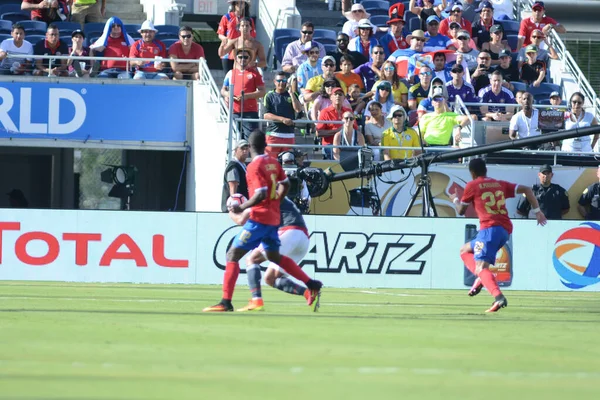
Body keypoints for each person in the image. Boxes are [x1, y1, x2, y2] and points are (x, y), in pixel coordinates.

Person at [203, 130, 323, 312]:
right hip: (276, 222)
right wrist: (275, 202)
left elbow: (260, 194)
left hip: (261, 219)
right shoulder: (273, 163)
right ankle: (310, 284)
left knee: (233, 255)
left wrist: (240, 207)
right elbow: (286, 184)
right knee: (275, 259)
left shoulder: (254, 166)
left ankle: (228, 301)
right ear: (265, 145)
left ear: (250, 147)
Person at [449, 158, 547, 312]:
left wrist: (454, 199)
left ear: (472, 172)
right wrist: (537, 212)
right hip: (505, 230)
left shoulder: (472, 185)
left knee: (481, 267)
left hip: (489, 229)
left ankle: (498, 297)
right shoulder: (499, 184)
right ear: (486, 170)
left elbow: (461, 210)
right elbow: (527, 190)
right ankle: (482, 277)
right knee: (465, 250)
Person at [230, 196, 316, 312]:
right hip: (303, 239)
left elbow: (241, 220)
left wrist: (230, 211)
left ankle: (256, 300)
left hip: (289, 231)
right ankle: (308, 292)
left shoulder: (263, 195)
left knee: (252, 259)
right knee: (270, 278)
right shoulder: (277, 194)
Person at [221, 48, 266, 139]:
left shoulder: (255, 74)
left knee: (251, 140)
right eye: (240, 57)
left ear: (249, 59)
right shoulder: (230, 73)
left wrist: (247, 96)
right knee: (234, 139)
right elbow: (223, 90)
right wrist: (229, 95)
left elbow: (262, 92)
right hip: (233, 112)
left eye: (245, 57)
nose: (243, 59)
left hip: (250, 112)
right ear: (236, 59)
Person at [263, 71, 302, 157]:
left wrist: (291, 93)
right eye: (279, 81)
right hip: (273, 134)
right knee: (270, 162)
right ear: (274, 82)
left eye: (284, 81)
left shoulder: (293, 94)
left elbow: (298, 109)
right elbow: (266, 115)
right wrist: (282, 119)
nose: (281, 83)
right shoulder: (269, 95)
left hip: (289, 134)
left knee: (288, 163)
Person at [217, 0, 255, 73]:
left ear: (245, 5)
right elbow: (220, 34)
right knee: (228, 76)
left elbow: (252, 36)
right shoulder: (226, 17)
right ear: (234, 4)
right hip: (228, 52)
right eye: (237, 3)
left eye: (242, 3)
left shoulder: (249, 20)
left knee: (242, 76)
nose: (239, 5)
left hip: (243, 52)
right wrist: (225, 39)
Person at [316, 87, 353, 160]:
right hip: (330, 145)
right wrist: (338, 131)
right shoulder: (325, 112)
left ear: (344, 98)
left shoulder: (348, 111)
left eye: (340, 94)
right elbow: (318, 133)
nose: (338, 96)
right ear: (331, 97)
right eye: (335, 94)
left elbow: (355, 128)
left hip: (346, 144)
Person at [221, 139, 250, 213]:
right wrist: (234, 205)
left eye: (247, 149)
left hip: (242, 207)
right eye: (242, 149)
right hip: (235, 209)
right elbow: (233, 187)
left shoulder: (243, 165)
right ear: (236, 150)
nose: (245, 151)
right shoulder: (233, 167)